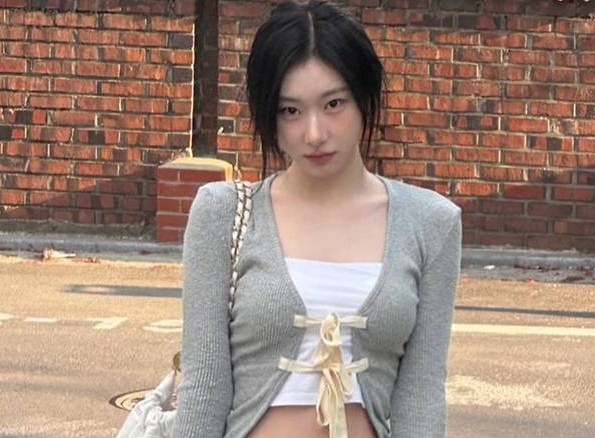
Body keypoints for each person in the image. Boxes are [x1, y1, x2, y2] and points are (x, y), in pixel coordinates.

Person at [172, 1, 462, 437]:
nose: (314, 133)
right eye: (290, 110)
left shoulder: (431, 222)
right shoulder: (223, 213)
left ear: (364, 99)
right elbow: (204, 386)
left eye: (333, 104)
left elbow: (421, 395)